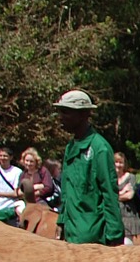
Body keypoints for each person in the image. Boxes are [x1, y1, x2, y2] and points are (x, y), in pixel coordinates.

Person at [51, 91, 123, 246]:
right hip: (71, 234)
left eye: (66, 112)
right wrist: (61, 220)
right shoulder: (71, 147)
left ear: (83, 114)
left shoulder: (99, 148)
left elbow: (109, 194)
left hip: (92, 238)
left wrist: (115, 237)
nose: (60, 117)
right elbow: (66, 191)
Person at [16, 147, 61, 239]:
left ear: (36, 161)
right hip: (25, 201)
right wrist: (37, 187)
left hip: (40, 200)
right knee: (19, 212)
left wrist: (33, 191)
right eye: (27, 161)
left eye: (31, 161)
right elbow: (19, 190)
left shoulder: (43, 171)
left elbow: (48, 187)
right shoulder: (23, 174)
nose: (28, 163)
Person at [0, 146, 25, 224]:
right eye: (1, 156)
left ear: (11, 157)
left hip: (12, 207)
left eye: (5, 156)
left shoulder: (17, 171)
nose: (3, 158)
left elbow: (16, 192)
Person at [115, 151, 140, 243]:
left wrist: (115, 197)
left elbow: (129, 196)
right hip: (114, 215)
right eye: (116, 162)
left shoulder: (131, 177)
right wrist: (123, 191)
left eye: (120, 162)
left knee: (127, 244)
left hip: (128, 216)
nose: (118, 165)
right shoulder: (110, 178)